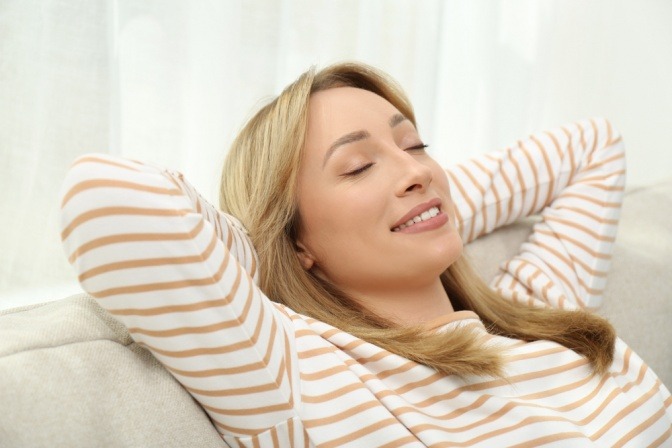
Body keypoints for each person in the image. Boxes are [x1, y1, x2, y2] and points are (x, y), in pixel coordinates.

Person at [60, 62, 671, 447]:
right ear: (295, 239)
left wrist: (425, 199)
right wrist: (271, 246)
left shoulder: (536, 311)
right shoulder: (293, 373)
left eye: (416, 143)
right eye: (357, 166)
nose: (416, 170)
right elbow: (104, 200)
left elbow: (593, 148)